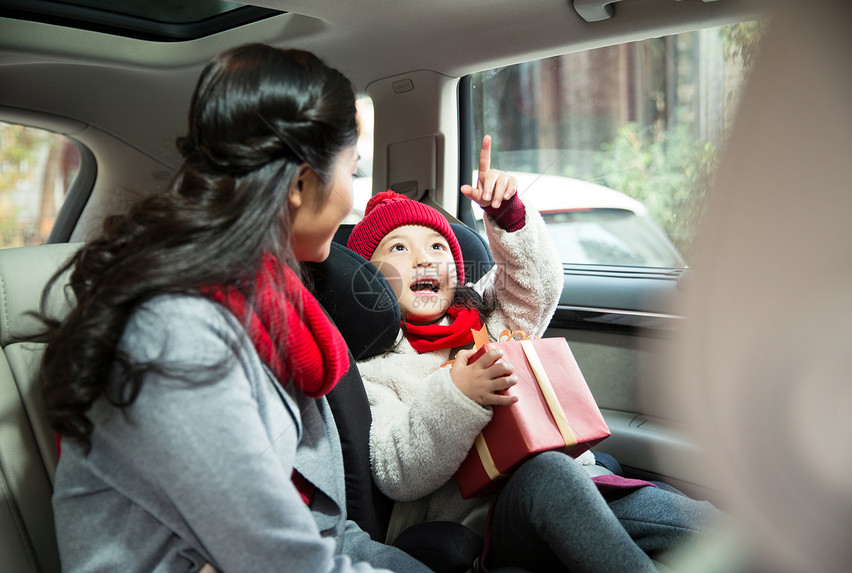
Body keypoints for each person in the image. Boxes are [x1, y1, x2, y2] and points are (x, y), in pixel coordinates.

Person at [38, 43, 432, 573]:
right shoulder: (178, 336)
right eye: (352, 171)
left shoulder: (265, 300)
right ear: (298, 185)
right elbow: (278, 560)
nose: (353, 199)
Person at [346, 135, 725, 572]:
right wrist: (456, 393)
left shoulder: (484, 318)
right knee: (551, 474)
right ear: (367, 277)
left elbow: (538, 287)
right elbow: (397, 470)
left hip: (579, 482)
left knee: (687, 518)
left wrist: (508, 217)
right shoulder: (376, 368)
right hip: (484, 521)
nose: (424, 259)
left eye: (437, 247)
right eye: (398, 248)